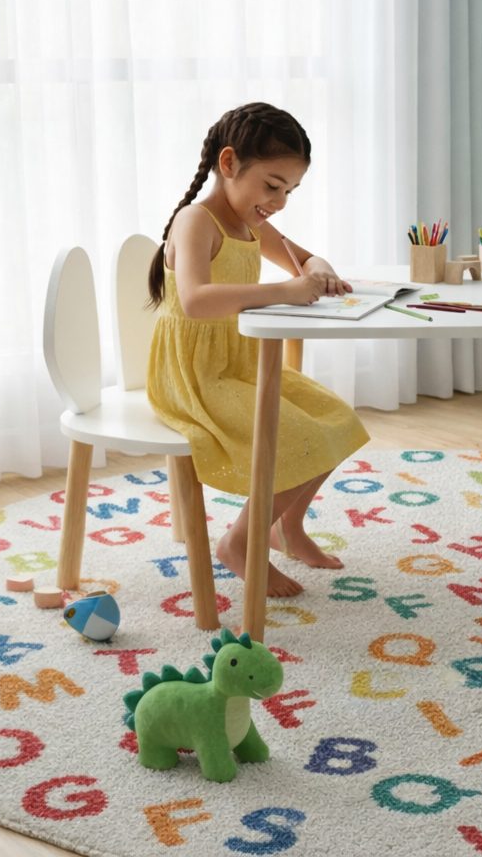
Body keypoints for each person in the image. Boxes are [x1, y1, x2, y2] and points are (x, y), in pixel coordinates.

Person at [146, 102, 370, 597]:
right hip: (196, 375)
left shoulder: (252, 224)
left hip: (241, 363)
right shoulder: (196, 220)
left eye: (290, 190)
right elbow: (197, 301)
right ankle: (239, 543)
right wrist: (286, 290)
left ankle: (286, 528)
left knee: (337, 421)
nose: (281, 201)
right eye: (272, 186)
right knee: (294, 438)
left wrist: (318, 270)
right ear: (229, 165)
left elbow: (306, 258)